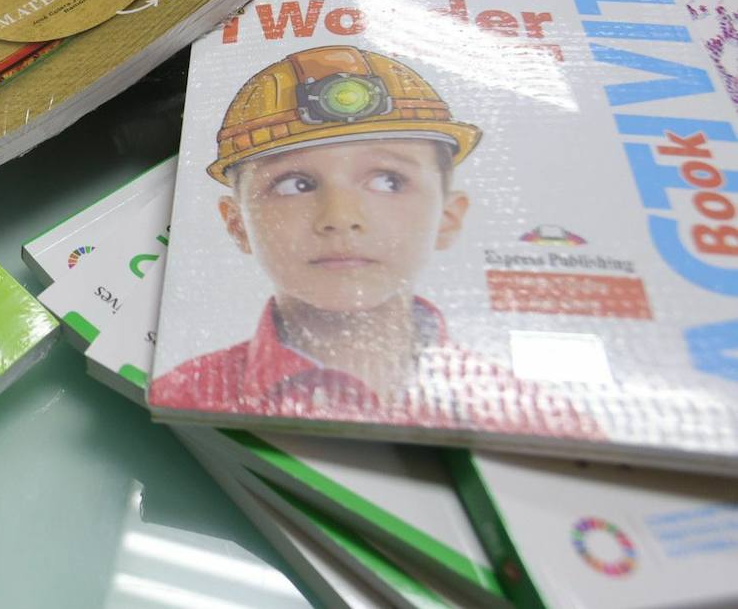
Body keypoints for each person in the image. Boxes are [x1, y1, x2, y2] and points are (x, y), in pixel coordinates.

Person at [151, 46, 597, 439]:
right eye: (295, 184)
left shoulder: (539, 418)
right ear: (237, 224)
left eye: (388, 180)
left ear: (448, 216)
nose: (340, 218)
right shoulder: (183, 396)